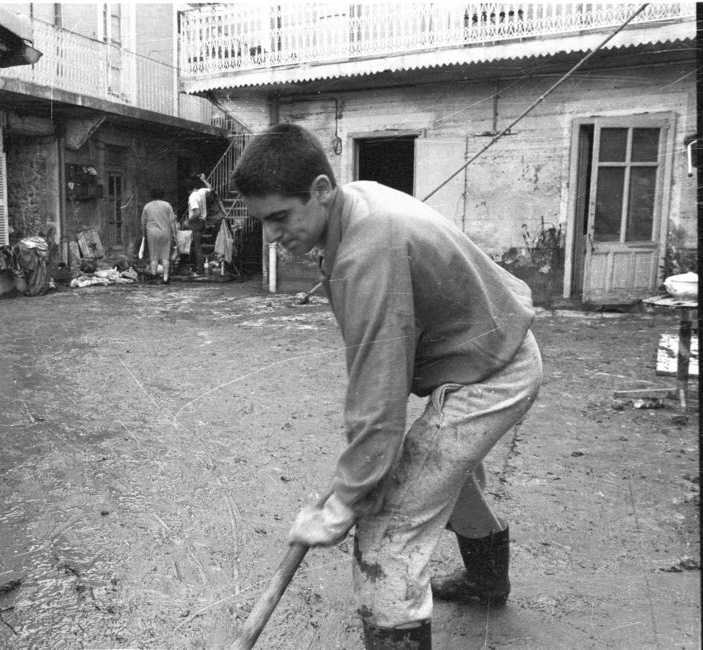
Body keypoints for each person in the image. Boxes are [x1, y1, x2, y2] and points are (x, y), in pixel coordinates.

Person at [231, 123, 542, 650]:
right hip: (488, 348)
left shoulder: (367, 252)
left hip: (494, 371)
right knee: (442, 475)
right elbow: (380, 378)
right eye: (263, 221)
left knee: (387, 529)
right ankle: (487, 581)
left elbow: (378, 392)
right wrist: (364, 463)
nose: (271, 235)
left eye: (280, 217)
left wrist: (344, 503)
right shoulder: (354, 203)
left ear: (322, 190)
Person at [141, 188, 177, 283]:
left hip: (151, 233)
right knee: (165, 256)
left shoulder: (147, 206)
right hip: (165, 232)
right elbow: (172, 221)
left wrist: (143, 233)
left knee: (153, 256)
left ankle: (154, 277)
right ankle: (165, 277)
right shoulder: (167, 205)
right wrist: (174, 234)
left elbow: (143, 222)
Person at [186, 174, 211, 275]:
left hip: (196, 223)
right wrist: (204, 180)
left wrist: (188, 221)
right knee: (197, 246)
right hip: (203, 222)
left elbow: (196, 213)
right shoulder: (201, 192)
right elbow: (211, 189)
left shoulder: (192, 196)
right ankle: (198, 267)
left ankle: (199, 269)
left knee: (197, 247)